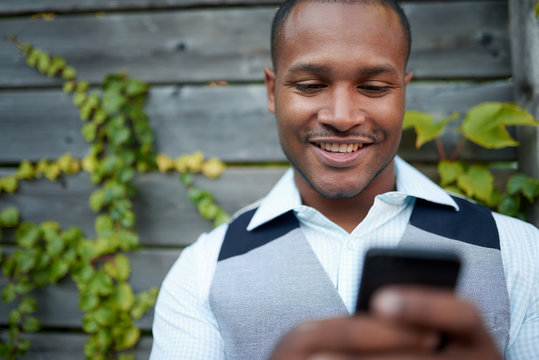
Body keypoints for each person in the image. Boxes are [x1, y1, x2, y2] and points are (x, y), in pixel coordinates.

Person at [150, 1, 539, 359]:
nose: (341, 116)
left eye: (373, 87)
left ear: (404, 91)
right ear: (273, 91)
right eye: (310, 85)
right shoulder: (200, 273)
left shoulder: (521, 254)